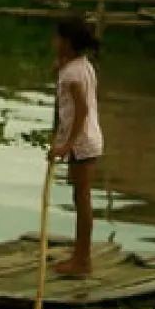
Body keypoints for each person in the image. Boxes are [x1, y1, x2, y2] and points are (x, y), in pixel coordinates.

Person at [49, 18, 103, 277]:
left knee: (82, 199)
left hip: (82, 143)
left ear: (67, 44)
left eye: (57, 39)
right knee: (81, 198)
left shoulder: (72, 73)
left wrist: (66, 145)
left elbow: (80, 109)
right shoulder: (82, 67)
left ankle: (82, 261)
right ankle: (81, 257)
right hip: (89, 139)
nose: (53, 42)